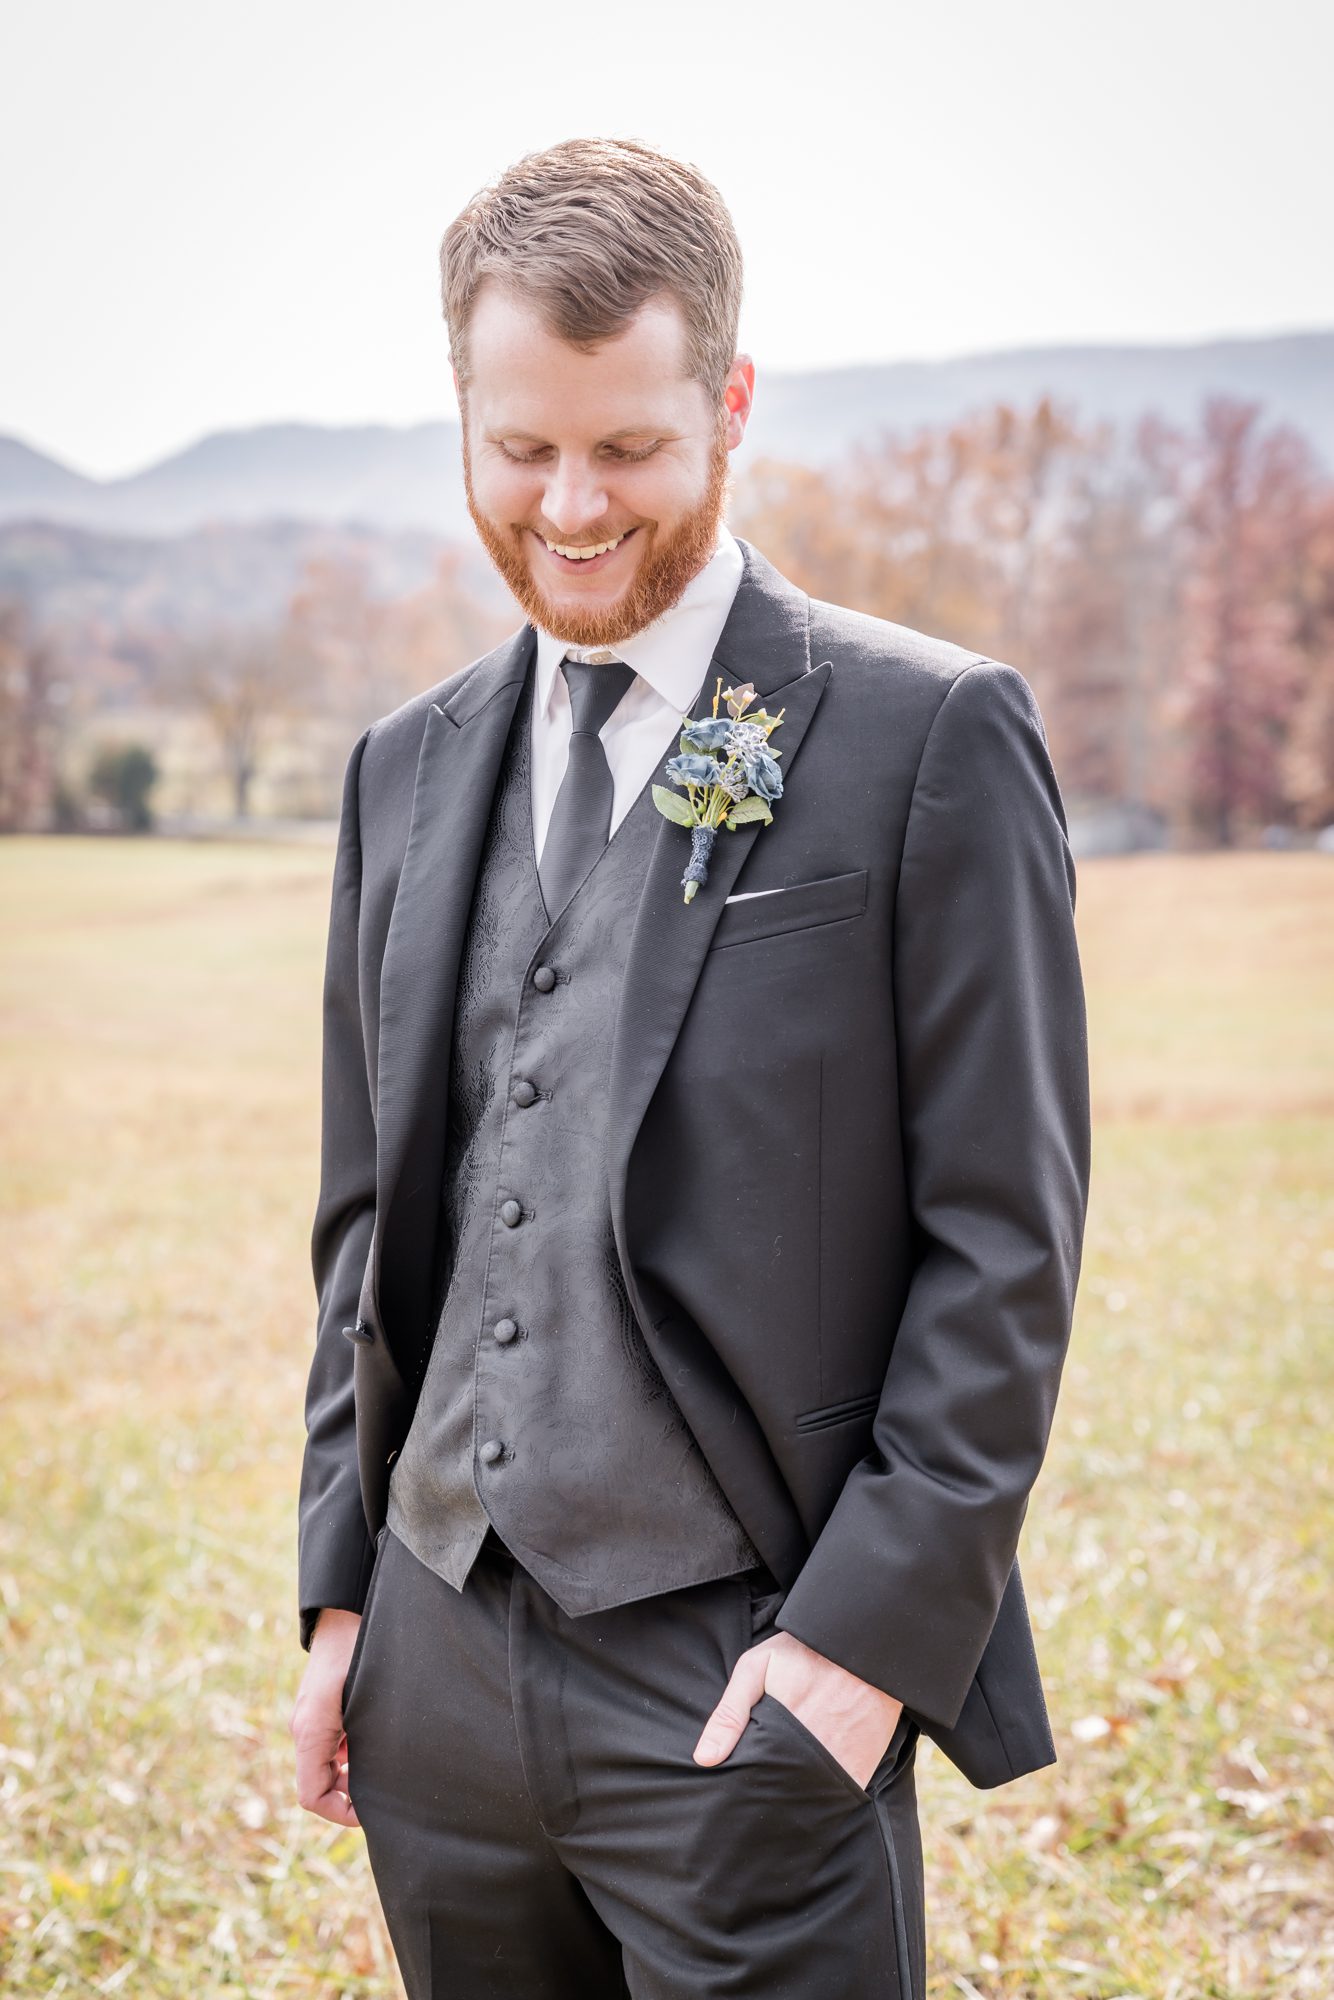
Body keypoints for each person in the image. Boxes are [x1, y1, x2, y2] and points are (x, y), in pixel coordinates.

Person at [290, 134, 1091, 2000]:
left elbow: (1006, 1241)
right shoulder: (404, 768)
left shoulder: (926, 738)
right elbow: (364, 1223)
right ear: (465, 417)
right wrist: (345, 1595)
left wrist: (861, 1651)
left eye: (628, 448)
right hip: (438, 1678)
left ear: (728, 404)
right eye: (521, 447)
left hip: (744, 1680)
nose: (569, 505)